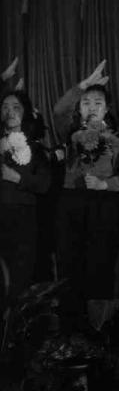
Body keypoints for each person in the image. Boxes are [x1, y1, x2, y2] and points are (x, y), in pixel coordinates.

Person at [53, 60, 119, 328]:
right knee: (70, 264)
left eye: (98, 102)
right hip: (71, 204)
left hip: (104, 206)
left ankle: (98, 329)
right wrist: (84, 85)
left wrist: (104, 185)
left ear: (107, 109)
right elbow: (59, 110)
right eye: (86, 103)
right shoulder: (71, 135)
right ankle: (70, 329)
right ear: (79, 108)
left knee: (100, 265)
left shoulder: (118, 142)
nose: (92, 107)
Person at [0, 90, 51, 300]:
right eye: (5, 107)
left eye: (16, 107)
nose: (9, 111)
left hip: (23, 219)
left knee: (19, 278)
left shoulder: (35, 148)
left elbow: (44, 184)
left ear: (25, 112)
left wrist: (18, 178)